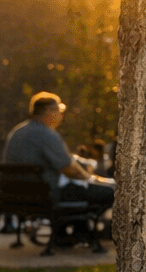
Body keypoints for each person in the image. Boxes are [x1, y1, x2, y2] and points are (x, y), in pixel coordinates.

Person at [3, 91, 116, 226]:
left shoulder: (17, 132)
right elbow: (69, 169)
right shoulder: (46, 134)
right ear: (49, 112)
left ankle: (68, 233)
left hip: (15, 193)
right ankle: (84, 232)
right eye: (59, 110)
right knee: (110, 192)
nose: (61, 115)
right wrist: (91, 178)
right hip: (48, 194)